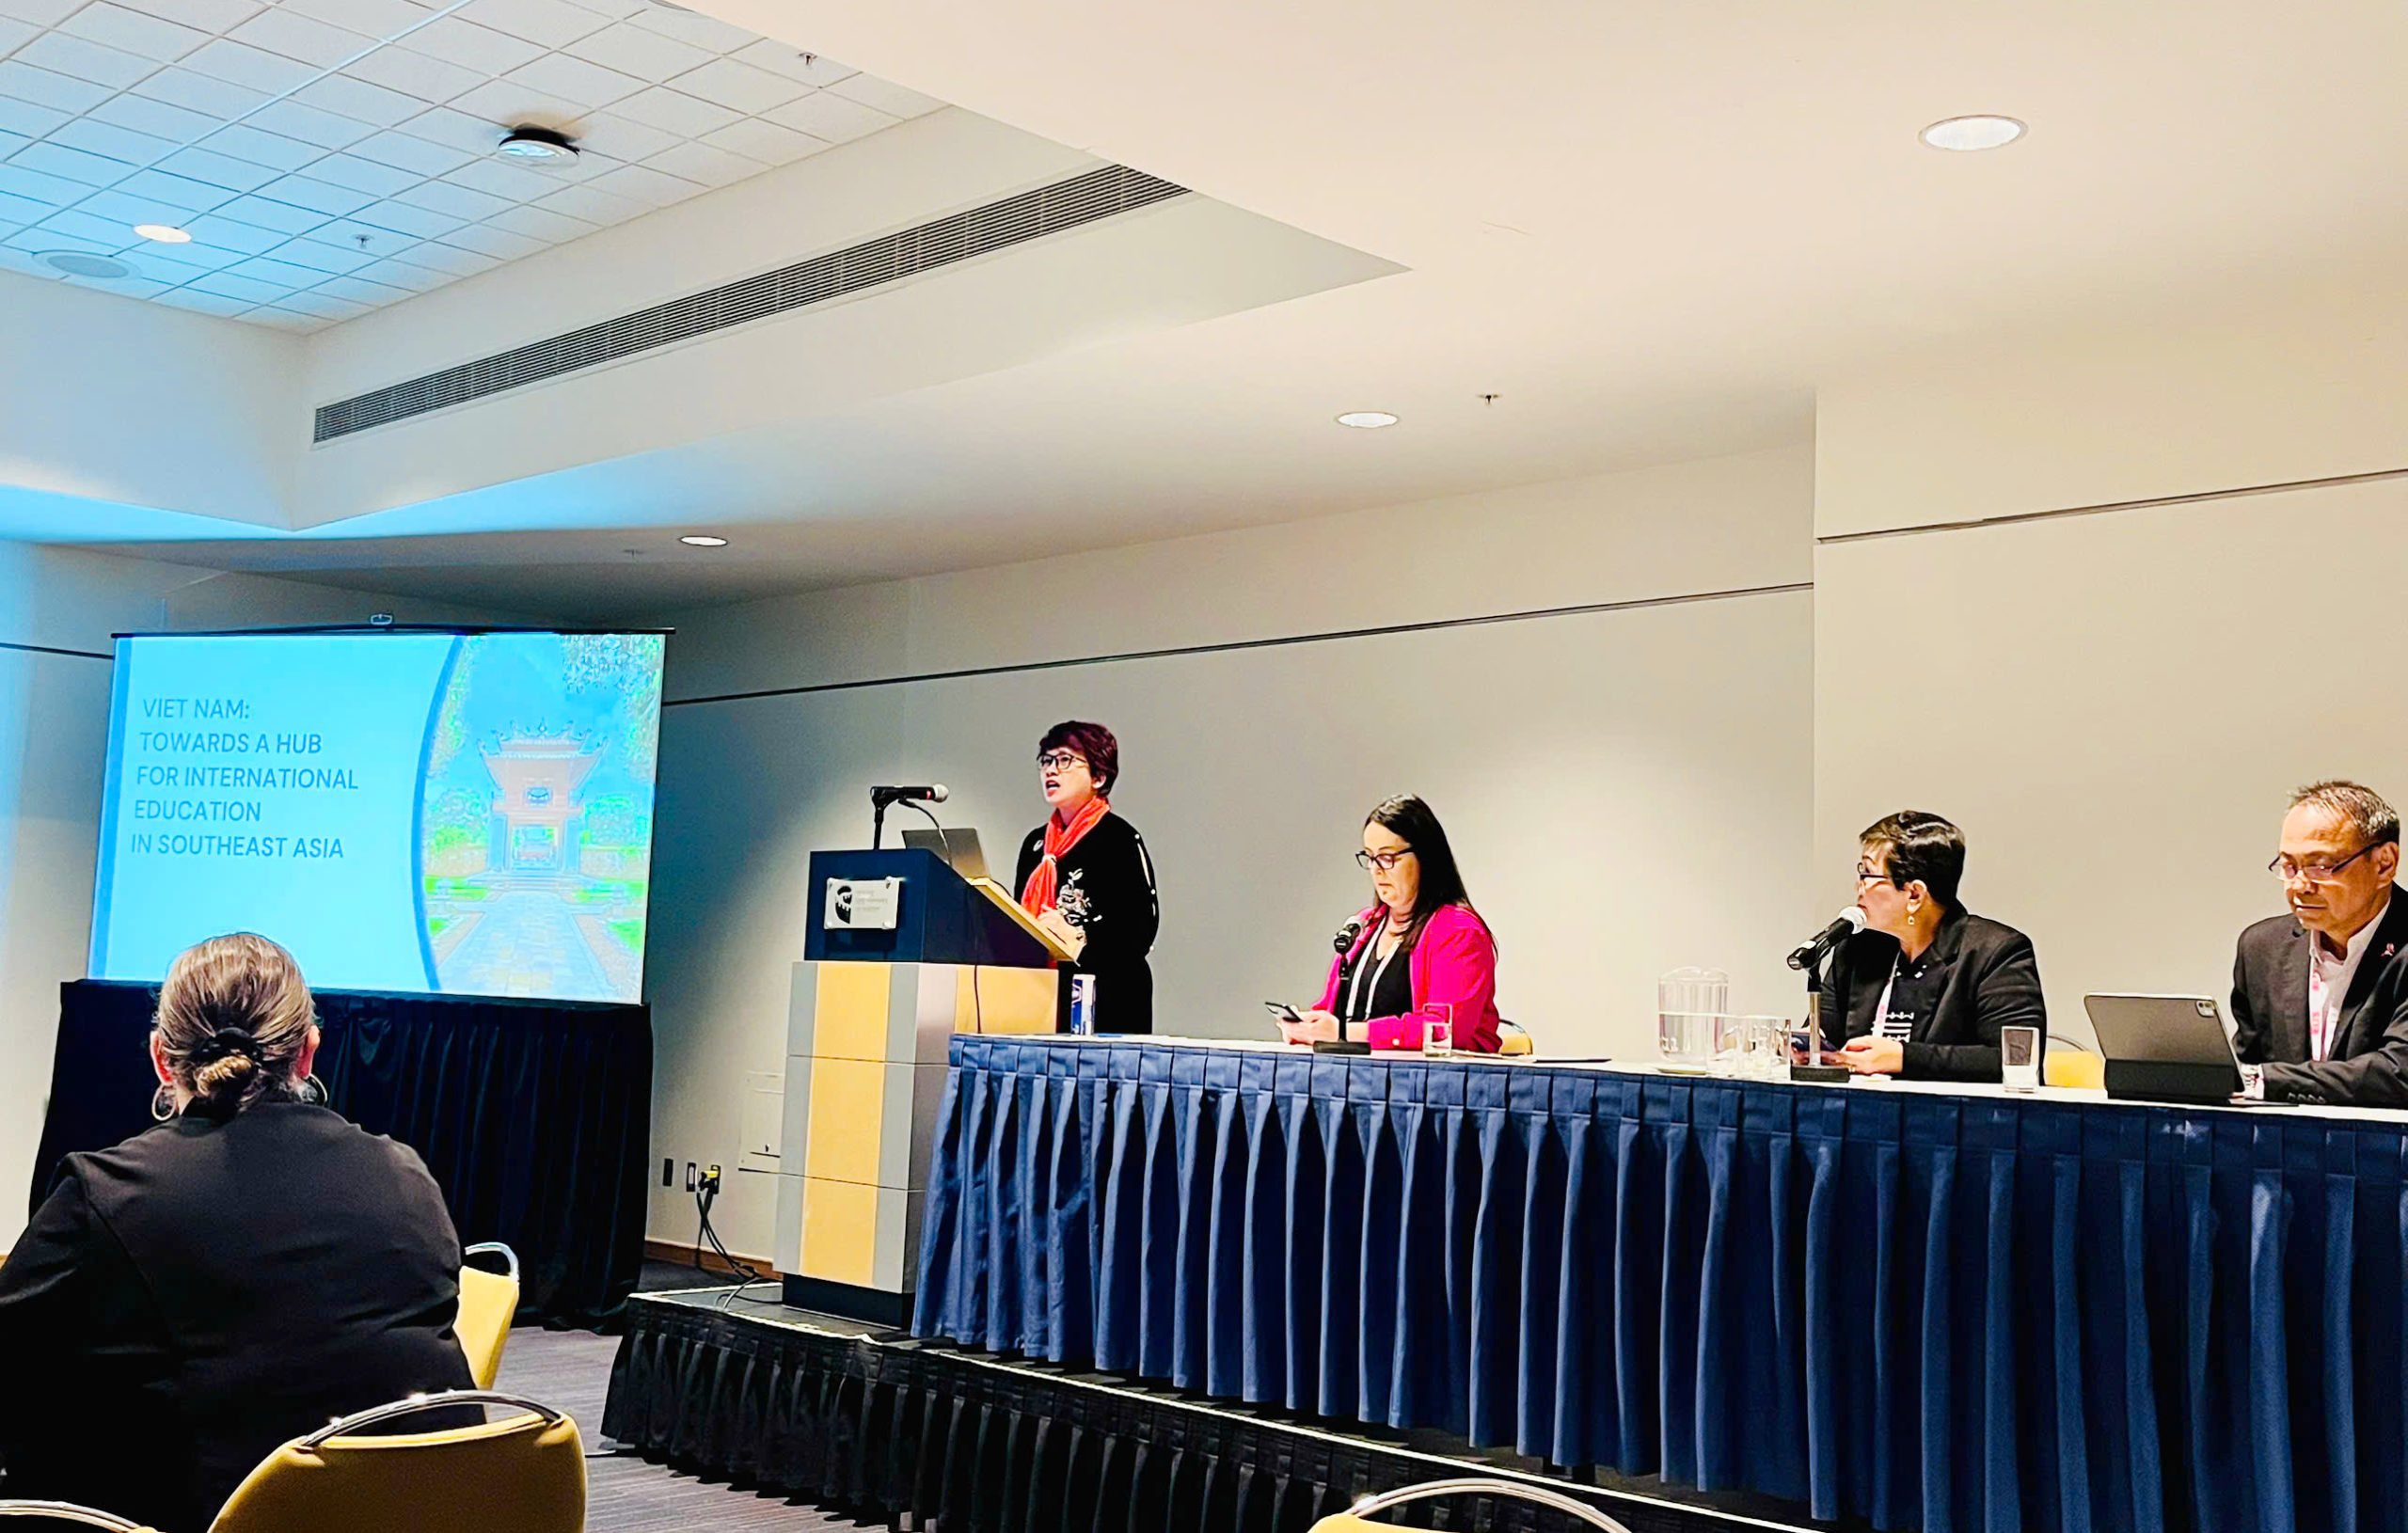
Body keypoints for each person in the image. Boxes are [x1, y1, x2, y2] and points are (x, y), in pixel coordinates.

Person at [0, 934, 476, 1533]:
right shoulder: (405, 1174)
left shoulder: (107, 1195)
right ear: (308, 1053)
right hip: (428, 1510)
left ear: (160, 1057)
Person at [1820, 811, 2045, 1080]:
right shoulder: (1857, 950)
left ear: (1914, 894)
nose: (1860, 886)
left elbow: (2015, 1060)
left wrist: (1903, 1058)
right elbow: (1824, 1037)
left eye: (1869, 873)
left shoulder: (1996, 952)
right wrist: (1804, 1047)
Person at [2229, 781, 2408, 1105]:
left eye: (2321, 866)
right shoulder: (2261, 949)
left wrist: (2267, 1081)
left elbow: (2398, 1073)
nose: (2299, 885)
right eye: (2289, 866)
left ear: (2385, 864)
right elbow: (2244, 1074)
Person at [1278, 795, 1503, 1052]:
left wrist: (1344, 1033)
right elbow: (1330, 1010)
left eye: (1387, 858)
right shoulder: (1364, 924)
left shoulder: (1458, 930)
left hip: (1429, 1076)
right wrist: (1306, 1027)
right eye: (1370, 857)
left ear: (1424, 857)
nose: (1376, 869)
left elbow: (1444, 1029)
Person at [1016, 720, 1160, 1034]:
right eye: (1046, 760)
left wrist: (1076, 937)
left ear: (1098, 777)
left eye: (1065, 760)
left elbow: (1140, 930)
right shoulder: (1035, 845)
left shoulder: (1119, 838)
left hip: (1109, 998)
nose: (1051, 770)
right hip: (1043, 992)